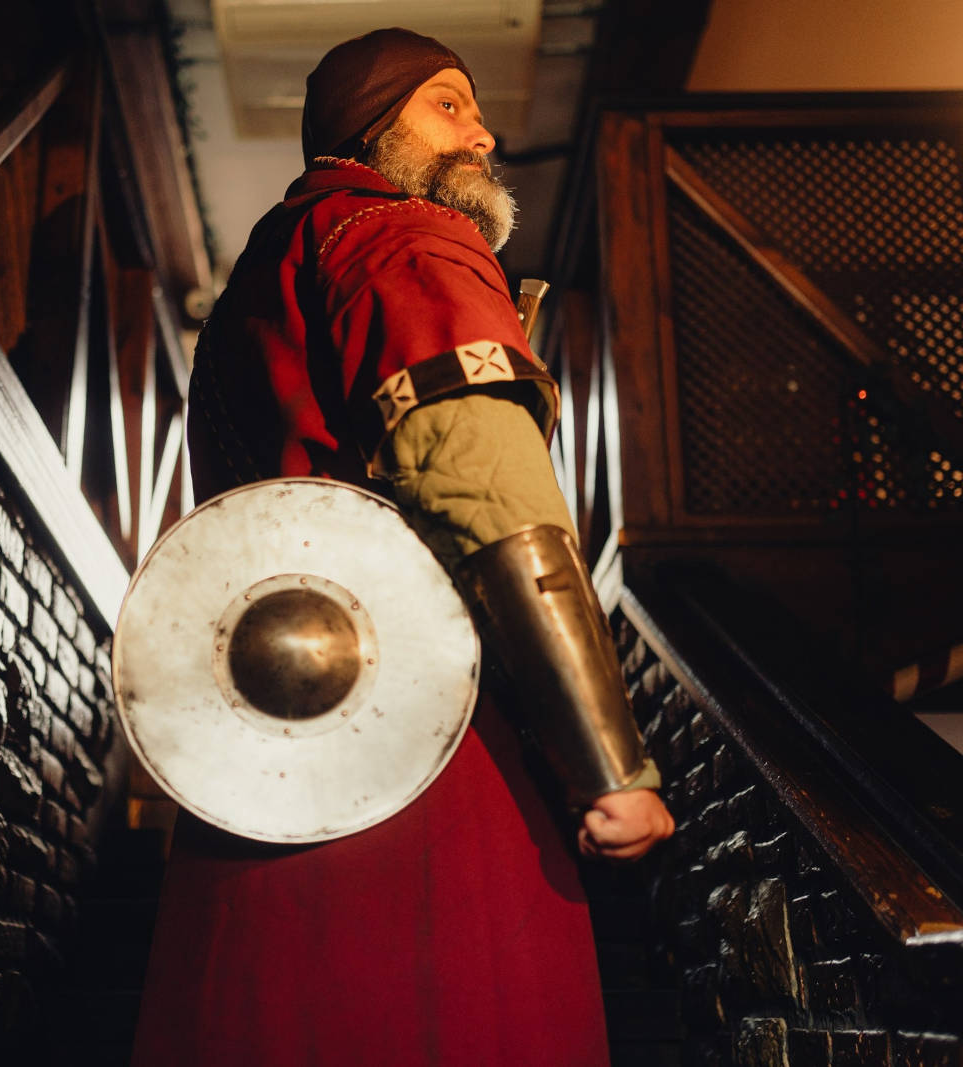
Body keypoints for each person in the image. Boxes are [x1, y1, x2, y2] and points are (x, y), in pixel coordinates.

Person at [132, 28, 673, 1065]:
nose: (484, 131)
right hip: (420, 760)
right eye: (446, 106)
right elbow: (488, 485)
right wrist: (608, 758)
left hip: (264, 779)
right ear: (368, 132)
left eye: (475, 107)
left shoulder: (268, 269)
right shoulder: (405, 239)